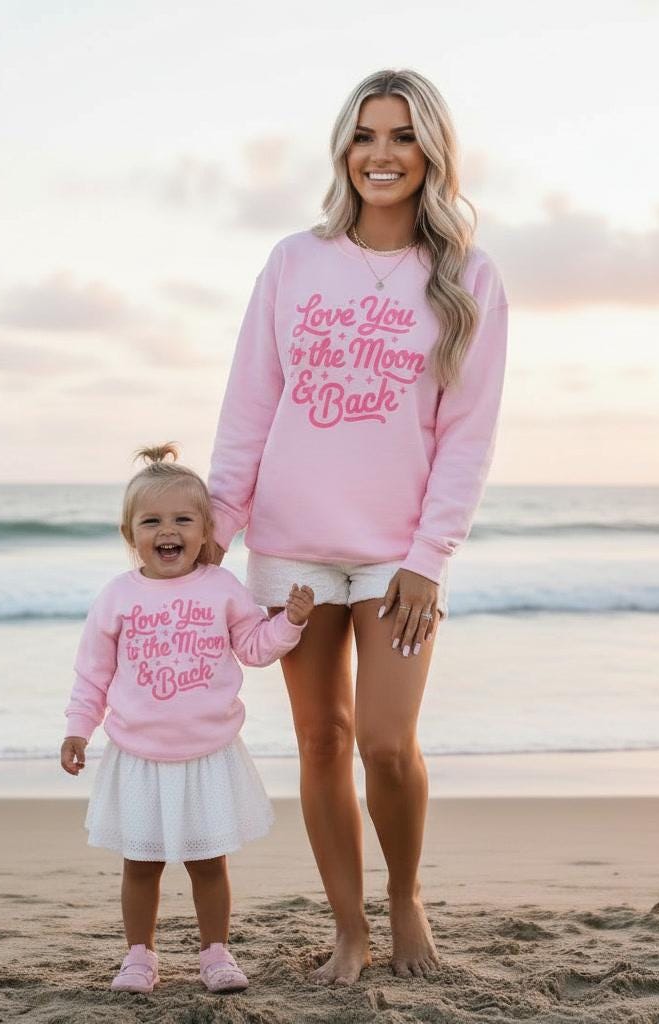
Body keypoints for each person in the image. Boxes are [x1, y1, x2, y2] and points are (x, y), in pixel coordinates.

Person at [207, 68, 509, 984]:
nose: (383, 154)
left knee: (385, 741)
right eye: (367, 136)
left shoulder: (469, 278)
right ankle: (350, 926)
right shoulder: (294, 262)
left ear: (432, 154)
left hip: (397, 557)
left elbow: (468, 434)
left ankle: (405, 894)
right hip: (290, 544)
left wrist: (430, 557)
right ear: (345, 149)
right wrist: (214, 534)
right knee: (321, 741)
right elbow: (249, 407)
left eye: (404, 137)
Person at [60, 444, 315, 994]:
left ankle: (215, 954)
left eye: (182, 519)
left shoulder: (222, 587)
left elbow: (253, 645)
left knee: (207, 862)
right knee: (141, 864)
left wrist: (288, 624)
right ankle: (139, 957)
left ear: (205, 532)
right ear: (131, 534)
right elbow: (92, 674)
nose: (167, 530)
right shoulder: (117, 597)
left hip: (207, 751)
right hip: (138, 754)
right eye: (151, 521)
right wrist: (78, 728)